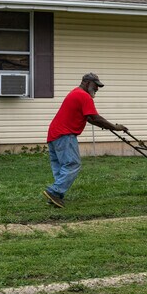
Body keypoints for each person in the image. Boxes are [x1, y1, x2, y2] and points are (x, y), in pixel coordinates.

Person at [43, 73, 127, 208]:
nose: (97, 89)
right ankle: (54, 191)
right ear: (87, 83)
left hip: (54, 134)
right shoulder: (84, 96)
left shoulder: (75, 93)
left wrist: (106, 127)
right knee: (72, 164)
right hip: (65, 134)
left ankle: (56, 196)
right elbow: (95, 117)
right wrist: (115, 127)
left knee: (61, 167)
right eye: (96, 86)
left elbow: (89, 118)